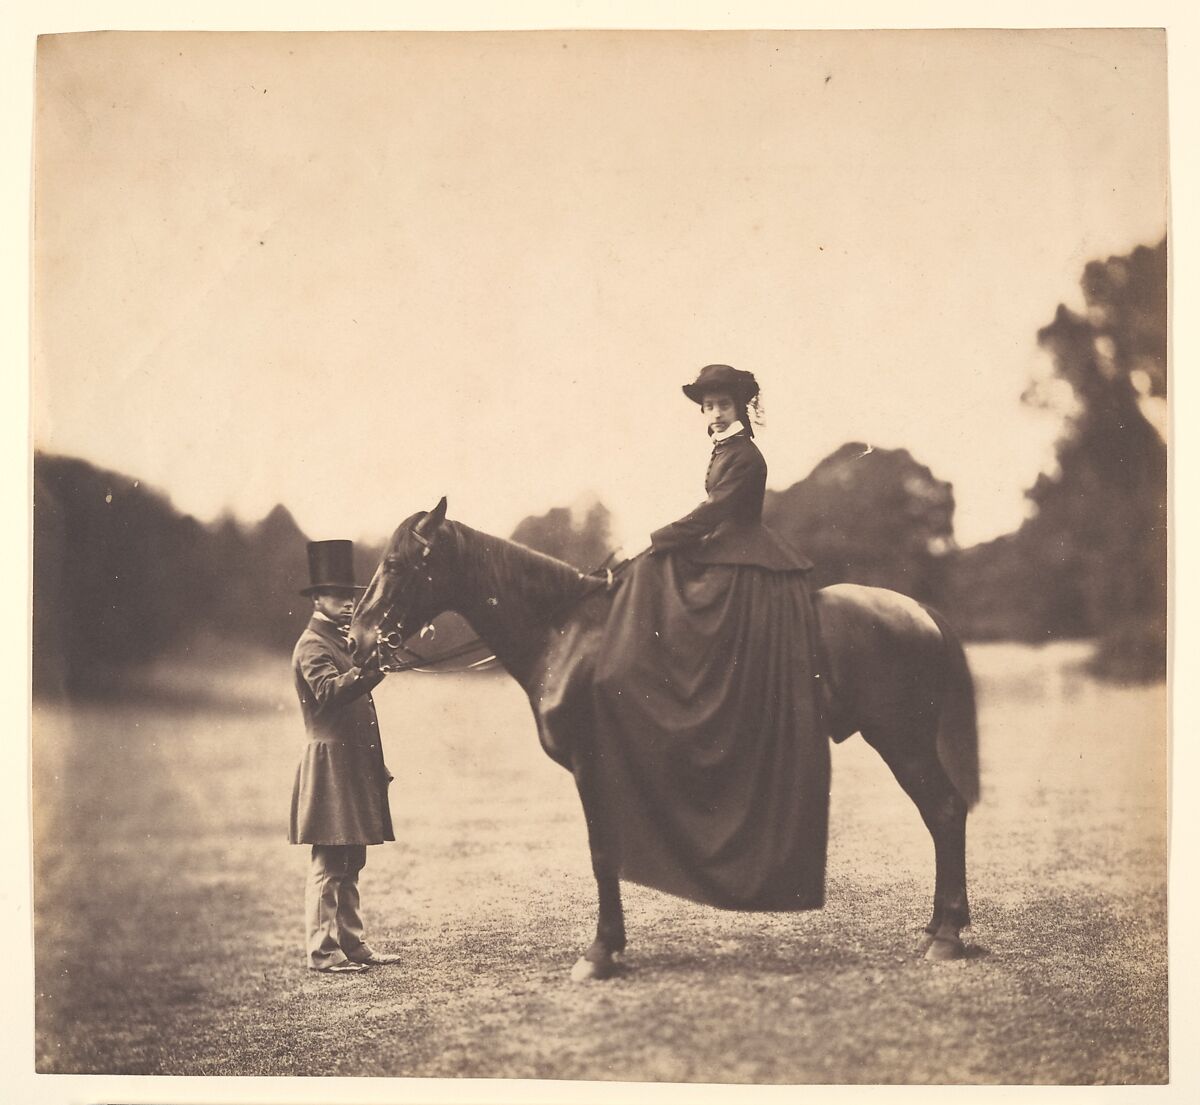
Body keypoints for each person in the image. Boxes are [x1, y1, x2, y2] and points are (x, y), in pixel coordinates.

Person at [590, 364, 829, 912]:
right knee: (654, 568)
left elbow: (718, 512)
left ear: (740, 407)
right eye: (707, 405)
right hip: (722, 544)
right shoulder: (722, 448)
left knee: (657, 572)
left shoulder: (746, 455)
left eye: (722, 404)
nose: (714, 412)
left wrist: (653, 539)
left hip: (744, 553)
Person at [288, 539, 401, 973]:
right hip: (330, 765)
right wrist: (370, 671)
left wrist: (371, 663)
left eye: (351, 596)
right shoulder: (312, 645)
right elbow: (329, 692)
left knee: (352, 859)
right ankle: (322, 952)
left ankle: (352, 945)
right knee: (329, 861)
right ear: (317, 598)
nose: (348, 603)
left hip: (351, 763)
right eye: (337, 595)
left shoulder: (340, 641)